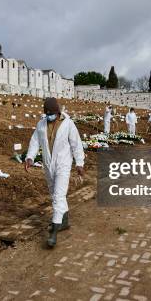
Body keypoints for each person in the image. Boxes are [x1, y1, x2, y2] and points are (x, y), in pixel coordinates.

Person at [25, 97, 85, 248]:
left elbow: (76, 144)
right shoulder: (41, 124)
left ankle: (54, 232)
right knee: (54, 194)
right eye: (47, 114)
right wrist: (30, 157)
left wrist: (79, 163)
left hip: (63, 164)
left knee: (58, 195)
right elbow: (35, 141)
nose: (49, 116)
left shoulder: (68, 124)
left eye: (51, 114)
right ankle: (64, 221)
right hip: (48, 165)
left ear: (58, 113)